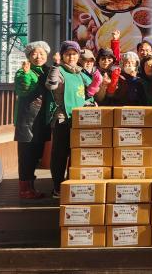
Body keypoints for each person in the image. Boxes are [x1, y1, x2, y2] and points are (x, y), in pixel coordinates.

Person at [45, 41, 93, 198]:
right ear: (62, 55)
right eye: (68, 54)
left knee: (75, 154)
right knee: (60, 154)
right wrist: (55, 64)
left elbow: (85, 94)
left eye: (74, 54)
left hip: (79, 119)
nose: (71, 57)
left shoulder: (80, 72)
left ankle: (71, 184)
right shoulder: (58, 70)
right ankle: (57, 187)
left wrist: (90, 103)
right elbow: (51, 85)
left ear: (78, 56)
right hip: (62, 118)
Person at [14, 41, 52, 199]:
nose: (38, 57)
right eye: (34, 54)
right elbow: (23, 90)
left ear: (47, 55)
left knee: (36, 154)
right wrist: (25, 74)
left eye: (42, 53)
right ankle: (25, 190)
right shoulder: (23, 71)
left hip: (42, 119)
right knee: (26, 156)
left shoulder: (48, 71)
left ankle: (30, 187)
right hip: (27, 120)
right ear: (29, 56)